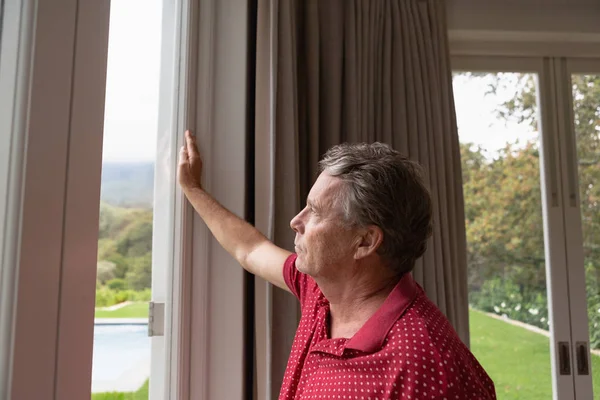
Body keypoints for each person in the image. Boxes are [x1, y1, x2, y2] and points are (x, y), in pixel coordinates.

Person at [178, 130, 496, 399]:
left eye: (314, 211)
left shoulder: (426, 364)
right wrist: (193, 189)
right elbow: (250, 249)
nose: (295, 221)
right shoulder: (319, 292)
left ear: (365, 242)